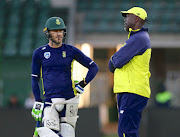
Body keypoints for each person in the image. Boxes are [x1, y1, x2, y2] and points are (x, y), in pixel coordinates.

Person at [31, 17, 99, 137]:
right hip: (50, 101)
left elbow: (94, 68)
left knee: (68, 134)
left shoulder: (71, 50)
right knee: (49, 133)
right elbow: (34, 79)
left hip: (70, 100)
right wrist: (38, 100)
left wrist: (82, 84)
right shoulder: (39, 53)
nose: (59, 34)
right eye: (55, 31)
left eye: (61, 31)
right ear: (48, 33)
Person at [108, 7, 151, 137]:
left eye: (127, 16)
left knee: (126, 132)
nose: (125, 19)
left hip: (132, 90)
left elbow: (115, 63)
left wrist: (113, 59)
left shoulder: (139, 38)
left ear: (136, 18)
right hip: (131, 90)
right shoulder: (137, 38)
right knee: (128, 131)